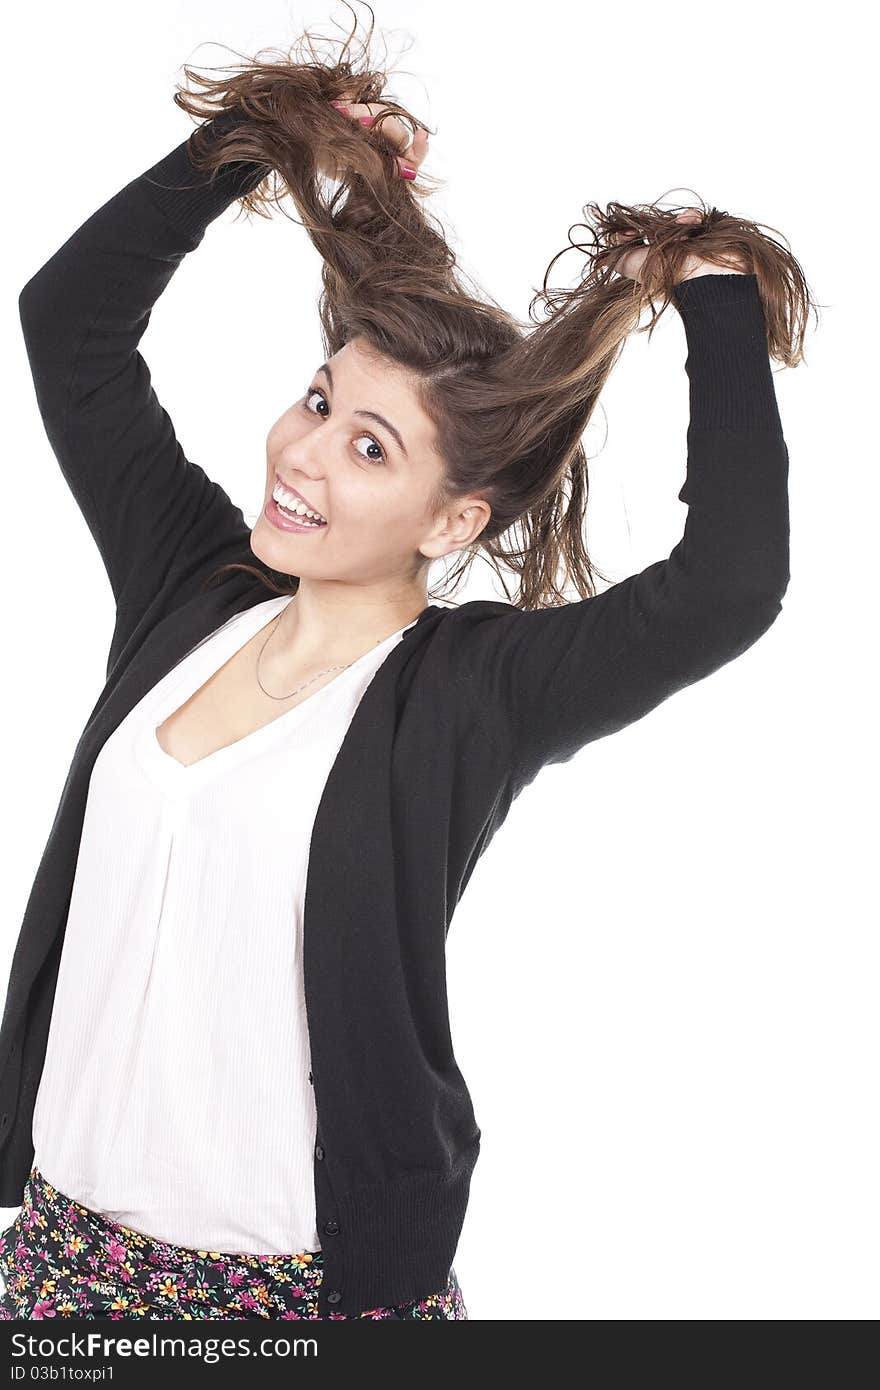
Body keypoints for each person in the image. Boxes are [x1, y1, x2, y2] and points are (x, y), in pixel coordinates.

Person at [0, 17, 810, 1321]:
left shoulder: (468, 694)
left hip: (305, 1301)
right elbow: (68, 324)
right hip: (61, 1261)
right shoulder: (192, 584)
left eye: (370, 448)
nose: (304, 454)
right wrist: (258, 138)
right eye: (320, 401)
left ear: (454, 522)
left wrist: (713, 291)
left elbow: (727, 587)